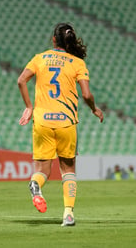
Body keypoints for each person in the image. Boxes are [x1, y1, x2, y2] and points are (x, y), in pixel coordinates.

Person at [17, 23, 104, 226]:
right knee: (68, 170)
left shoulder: (39, 58)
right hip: (66, 122)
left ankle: (35, 184)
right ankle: (68, 214)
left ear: (54, 39)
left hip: (42, 121)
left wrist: (29, 107)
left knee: (42, 170)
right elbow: (86, 94)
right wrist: (94, 108)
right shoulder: (77, 63)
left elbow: (21, 81)